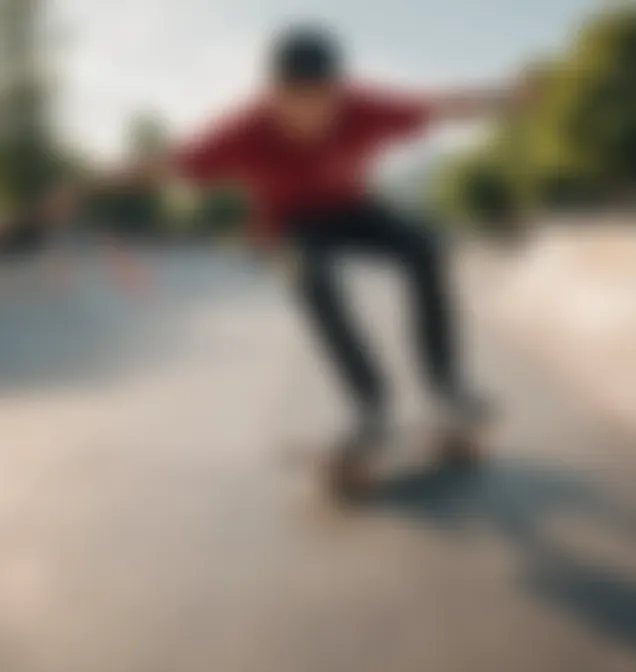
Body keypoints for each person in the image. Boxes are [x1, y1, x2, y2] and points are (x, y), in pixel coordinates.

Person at [55, 24, 532, 448]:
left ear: (336, 89)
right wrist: (87, 185)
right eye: (294, 101)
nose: (308, 114)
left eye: (320, 100)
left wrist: (507, 99)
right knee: (313, 279)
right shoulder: (244, 127)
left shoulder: (362, 104)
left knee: (426, 249)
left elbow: (440, 106)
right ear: (273, 93)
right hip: (286, 229)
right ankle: (371, 406)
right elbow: (168, 162)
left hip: (354, 210)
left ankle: (446, 388)